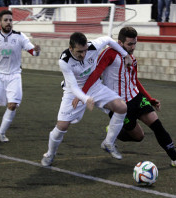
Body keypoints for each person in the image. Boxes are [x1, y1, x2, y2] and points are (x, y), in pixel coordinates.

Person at [75, 27, 176, 169]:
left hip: (135, 97)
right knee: (139, 136)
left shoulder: (132, 59)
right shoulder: (109, 54)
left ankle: (175, 159)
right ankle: (113, 131)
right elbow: (95, 74)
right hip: (119, 104)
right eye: (130, 44)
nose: (133, 47)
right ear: (119, 42)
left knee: (158, 126)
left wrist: (149, 98)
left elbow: (134, 80)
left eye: (135, 43)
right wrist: (82, 94)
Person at [40, 32, 132, 167]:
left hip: (95, 87)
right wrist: (86, 98)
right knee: (62, 126)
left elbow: (108, 40)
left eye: (85, 51)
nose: (83, 55)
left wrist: (125, 55)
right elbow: (72, 86)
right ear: (71, 48)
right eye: (79, 52)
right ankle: (50, 154)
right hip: (74, 91)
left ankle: (109, 142)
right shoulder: (64, 61)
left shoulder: (93, 46)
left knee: (122, 107)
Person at [0, 10, 41, 142]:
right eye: (6, 20)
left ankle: (1, 133)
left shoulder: (19, 36)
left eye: (10, 20)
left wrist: (36, 51)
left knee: (12, 105)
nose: (8, 23)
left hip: (14, 75)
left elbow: (32, 51)